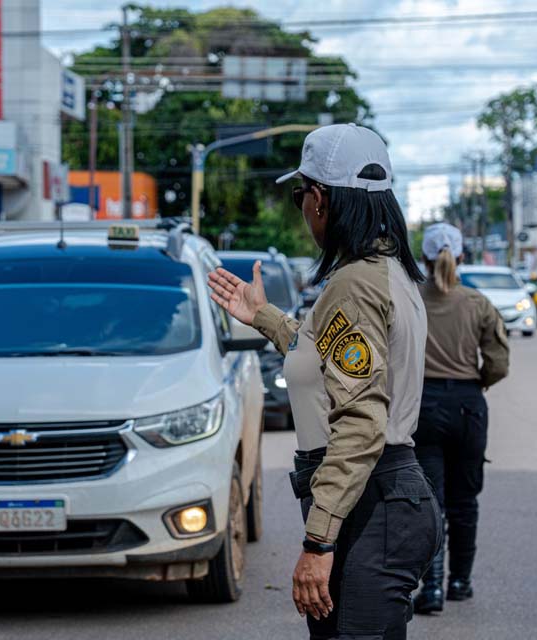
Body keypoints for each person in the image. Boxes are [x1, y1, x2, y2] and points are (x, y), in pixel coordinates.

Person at [207, 123, 441, 640]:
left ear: (320, 199)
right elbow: (326, 357)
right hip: (381, 498)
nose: (303, 208)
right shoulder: (384, 271)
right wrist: (263, 315)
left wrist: (318, 543)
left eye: (300, 196)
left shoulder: (354, 284)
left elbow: (360, 421)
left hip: (370, 501)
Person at [411, 223, 510, 615]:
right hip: (469, 407)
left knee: (430, 503)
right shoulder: (478, 303)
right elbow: (499, 363)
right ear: (463, 257)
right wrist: (475, 384)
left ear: (423, 258)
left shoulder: (411, 300)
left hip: (423, 407)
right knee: (464, 502)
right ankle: (460, 582)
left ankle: (430, 588)